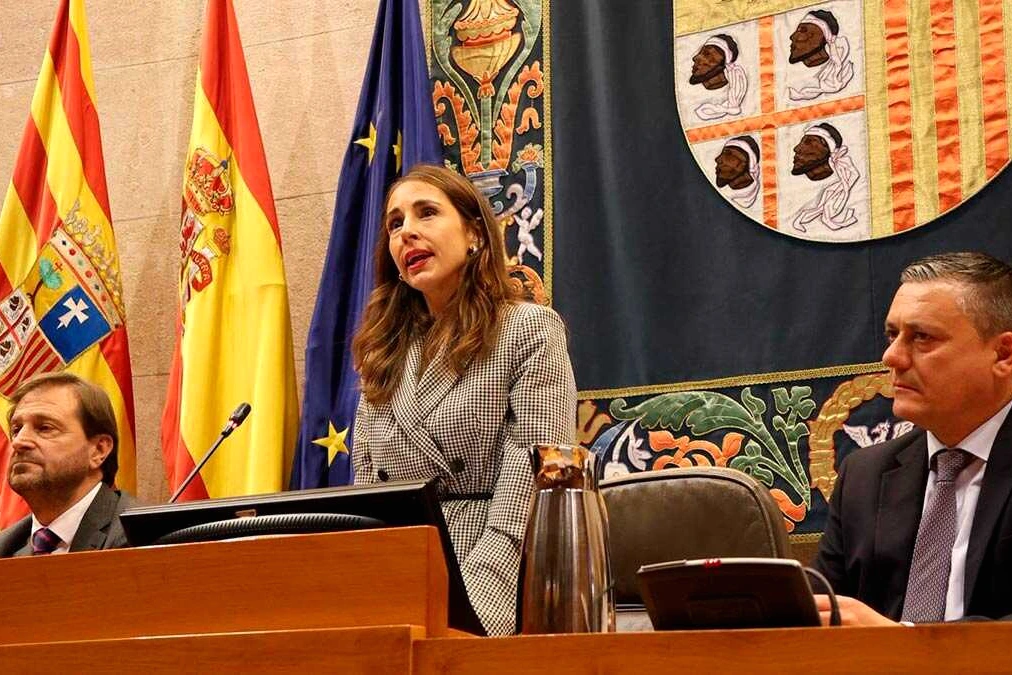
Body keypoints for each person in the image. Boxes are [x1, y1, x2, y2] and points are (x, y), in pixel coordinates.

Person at [351, 164, 577, 636]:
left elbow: (532, 483)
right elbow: (366, 500)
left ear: (475, 234)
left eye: (426, 213)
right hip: (401, 573)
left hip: (497, 569)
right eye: (395, 224)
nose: (406, 232)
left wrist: (470, 600)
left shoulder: (527, 330)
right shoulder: (382, 352)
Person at [814, 252, 1012, 625]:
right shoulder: (865, 475)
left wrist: (901, 645)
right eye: (893, 335)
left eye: (922, 337)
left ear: (1004, 354)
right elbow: (823, 614)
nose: (892, 356)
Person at [0, 372, 138, 557]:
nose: (18, 442)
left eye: (45, 428)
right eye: (16, 430)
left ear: (98, 450)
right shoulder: (7, 548)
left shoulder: (142, 538)